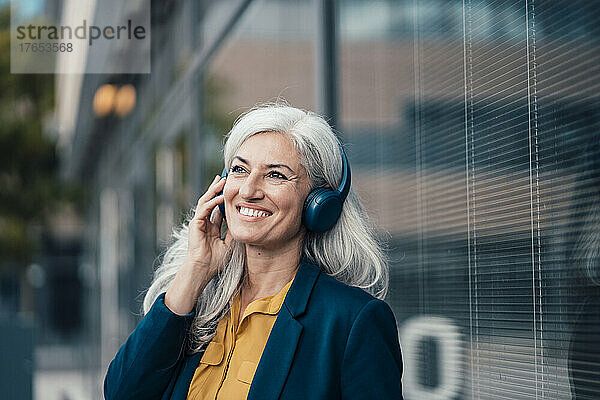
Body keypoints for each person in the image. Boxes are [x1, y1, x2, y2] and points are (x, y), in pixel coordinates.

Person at [104, 104, 403, 400]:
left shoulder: (352, 321)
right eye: (239, 169)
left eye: (275, 175)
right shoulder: (198, 304)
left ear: (318, 202)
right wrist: (196, 269)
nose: (248, 190)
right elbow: (122, 393)